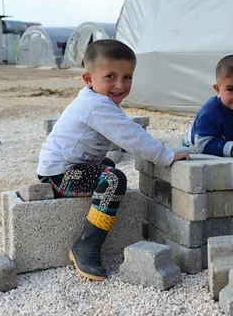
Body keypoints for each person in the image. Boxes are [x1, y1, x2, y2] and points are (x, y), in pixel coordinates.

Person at [37, 39, 190, 281]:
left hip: (72, 168)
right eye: (110, 76)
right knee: (113, 179)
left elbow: (127, 132)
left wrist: (149, 152)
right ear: (88, 79)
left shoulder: (100, 101)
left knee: (107, 165)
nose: (120, 84)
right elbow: (130, 135)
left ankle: (90, 232)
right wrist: (164, 156)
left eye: (127, 77)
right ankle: (86, 245)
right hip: (58, 174)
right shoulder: (95, 105)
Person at [183, 54, 233, 158]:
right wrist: (231, 149)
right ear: (217, 90)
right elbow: (202, 142)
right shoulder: (210, 111)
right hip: (196, 142)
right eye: (231, 89)